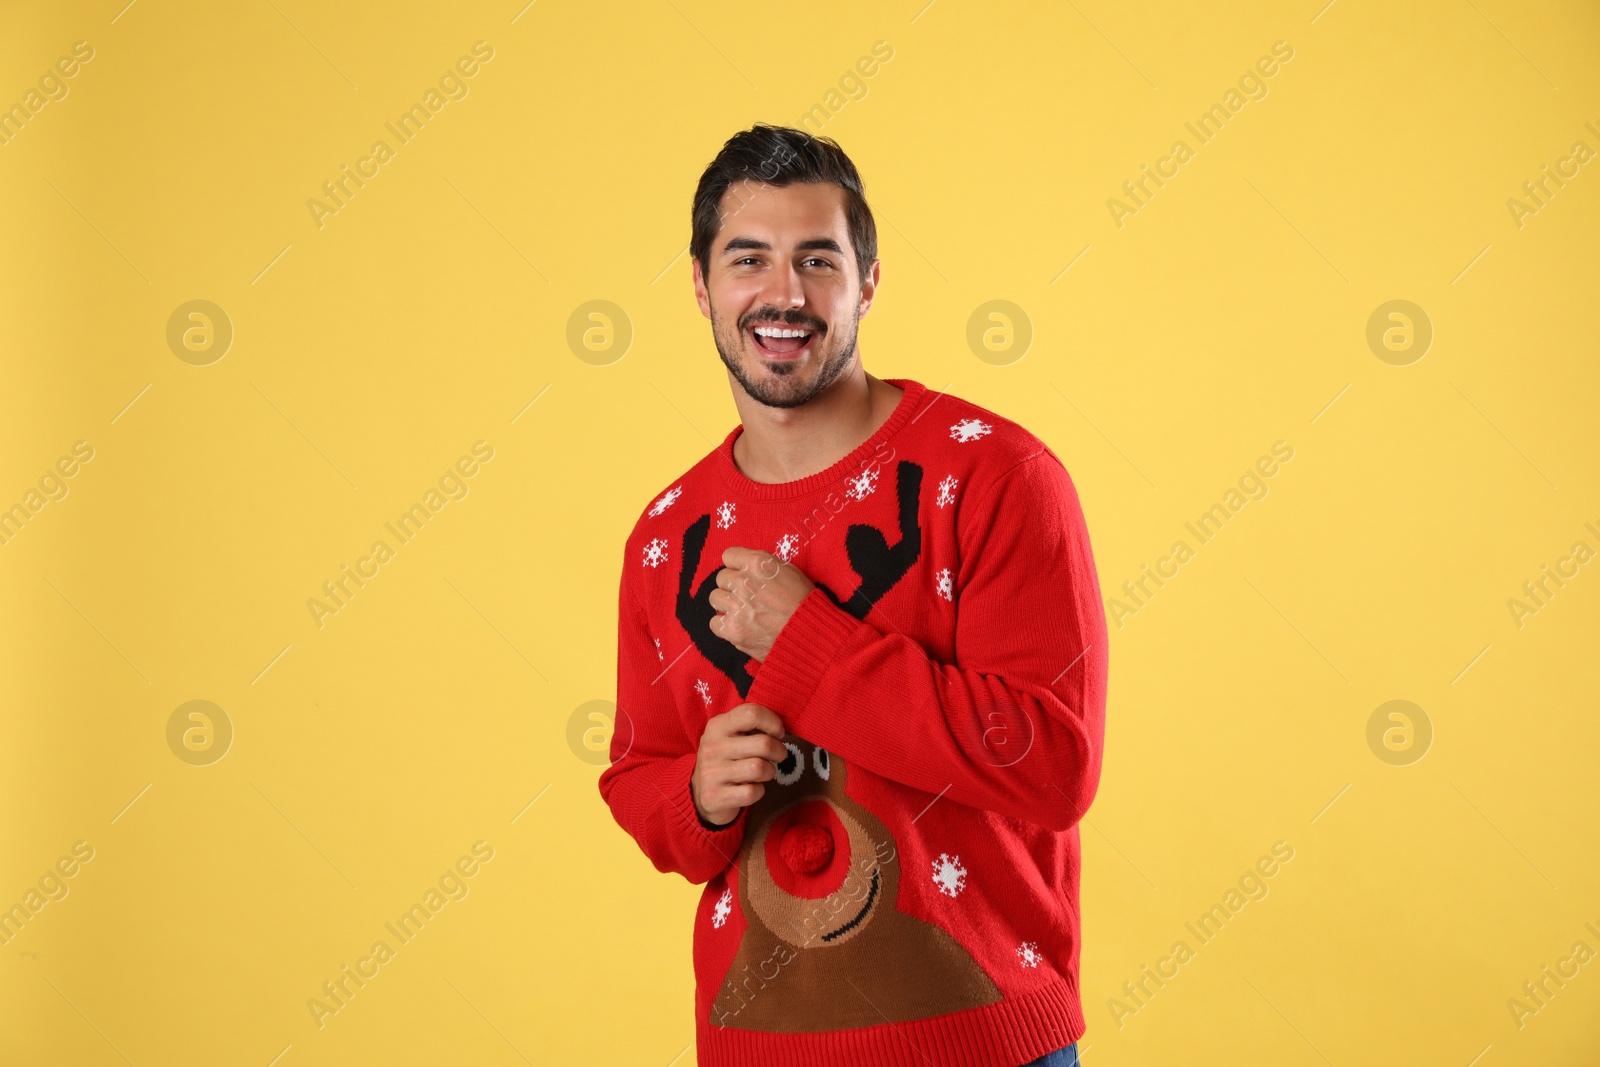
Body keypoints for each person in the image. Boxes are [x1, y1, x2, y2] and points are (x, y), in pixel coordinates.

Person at [597, 123, 1108, 1067]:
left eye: (817, 260)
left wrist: (812, 645)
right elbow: (638, 774)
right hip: (759, 1046)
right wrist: (695, 797)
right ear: (704, 287)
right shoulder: (666, 535)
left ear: (868, 282)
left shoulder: (996, 477)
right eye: (748, 259)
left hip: (984, 1044)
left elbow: (1056, 765)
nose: (782, 294)